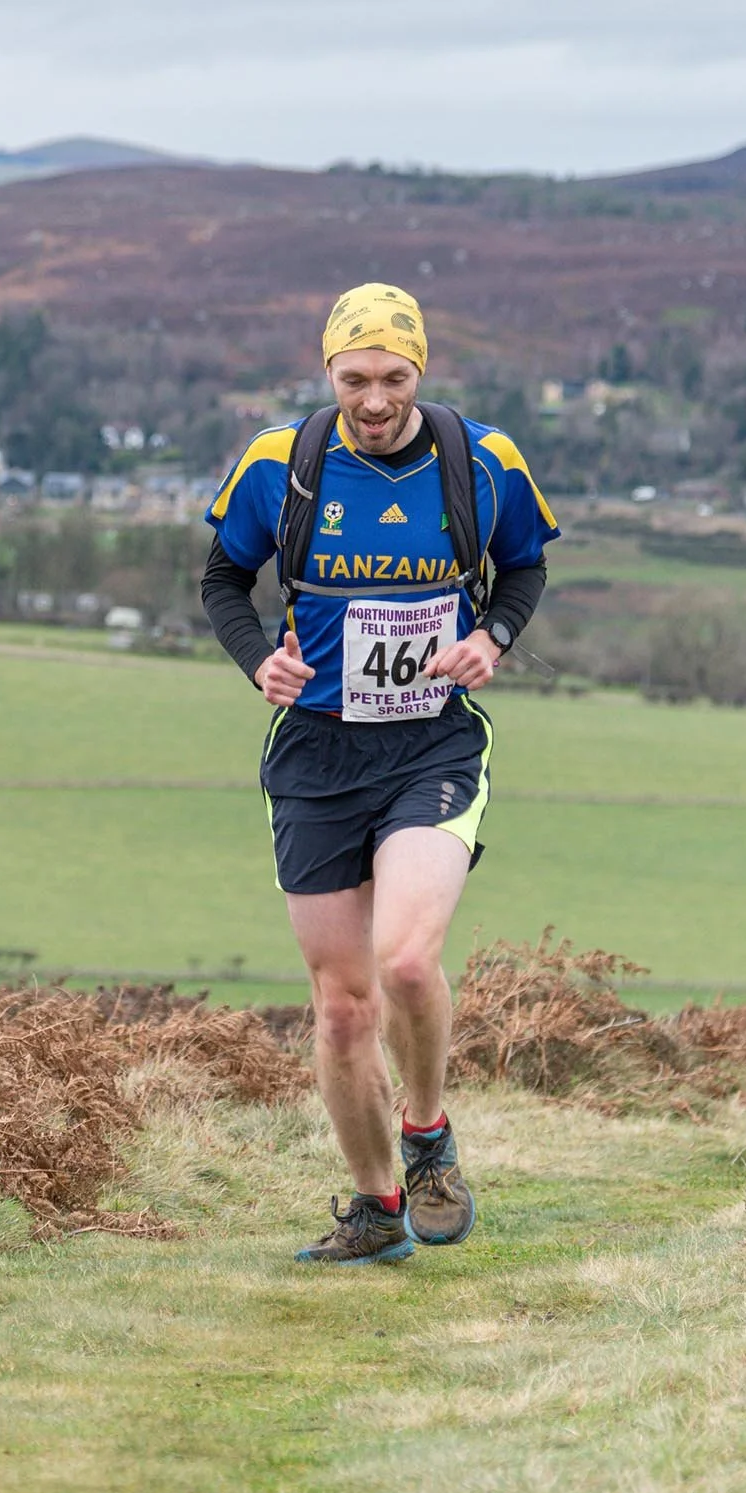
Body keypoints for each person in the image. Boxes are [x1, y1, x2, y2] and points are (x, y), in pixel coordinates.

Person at [198, 283, 559, 1264]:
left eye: (392, 377)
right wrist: (255, 660)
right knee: (343, 1005)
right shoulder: (282, 464)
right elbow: (223, 581)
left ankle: (428, 1133)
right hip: (316, 753)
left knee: (404, 961)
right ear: (328, 374)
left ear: (420, 373)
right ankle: (373, 1207)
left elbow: (522, 569)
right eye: (353, 378)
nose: (372, 397)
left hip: (431, 744)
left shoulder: (482, 462)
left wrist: (494, 635)